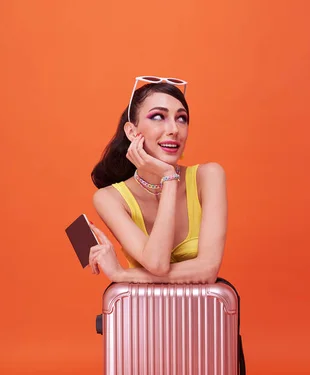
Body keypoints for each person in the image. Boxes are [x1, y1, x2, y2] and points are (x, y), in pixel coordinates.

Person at [87, 76, 228, 284]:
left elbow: (207, 271)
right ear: (132, 132)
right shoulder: (108, 198)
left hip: (202, 313)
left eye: (182, 118)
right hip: (142, 314)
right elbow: (158, 263)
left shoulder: (209, 176)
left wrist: (122, 275)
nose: (174, 129)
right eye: (158, 116)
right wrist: (168, 179)